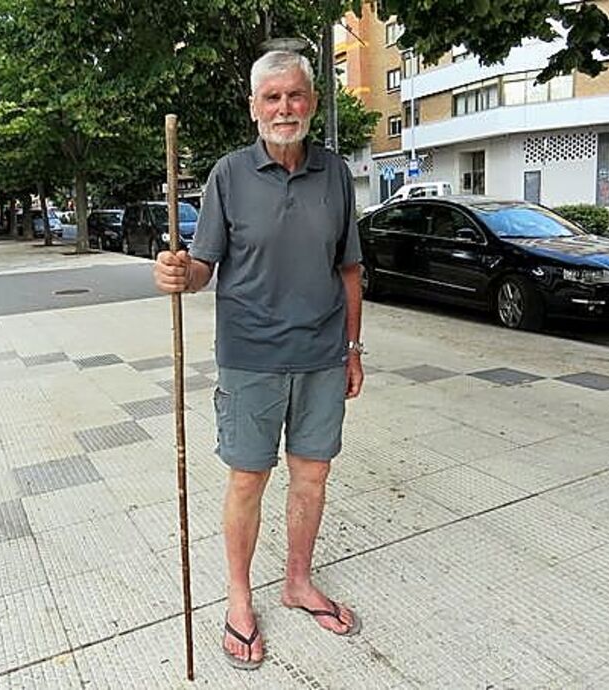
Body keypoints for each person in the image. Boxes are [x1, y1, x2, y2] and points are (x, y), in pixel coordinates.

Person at [153, 50, 364, 670]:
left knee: (313, 476)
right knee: (248, 477)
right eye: (271, 98)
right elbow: (202, 268)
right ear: (253, 108)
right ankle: (240, 598)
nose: (284, 108)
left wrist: (353, 349)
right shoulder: (228, 175)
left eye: (295, 96)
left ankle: (297, 582)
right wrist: (179, 272)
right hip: (251, 357)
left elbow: (350, 270)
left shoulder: (335, 175)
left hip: (323, 354)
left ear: (313, 103)